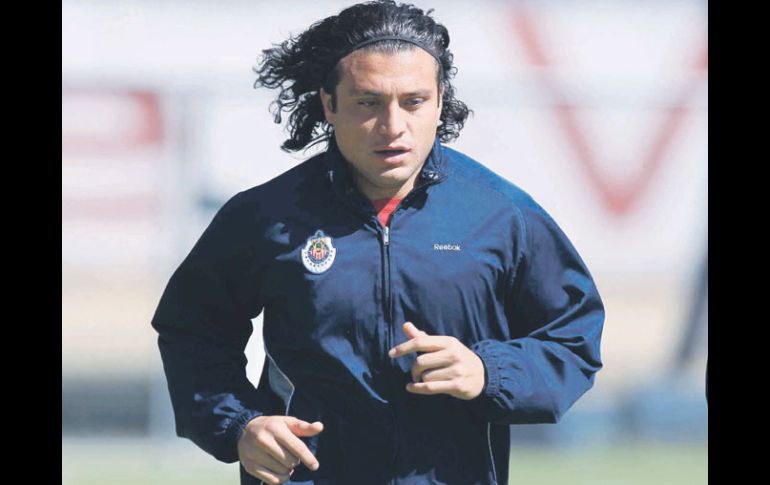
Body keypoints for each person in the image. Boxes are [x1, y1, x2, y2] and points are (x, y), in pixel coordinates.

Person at [151, 1, 605, 484]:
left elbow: (572, 338)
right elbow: (192, 330)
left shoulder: (501, 214)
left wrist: (489, 373)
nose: (393, 127)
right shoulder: (265, 216)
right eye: (368, 102)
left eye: (413, 101)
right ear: (329, 103)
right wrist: (240, 424)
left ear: (439, 99)